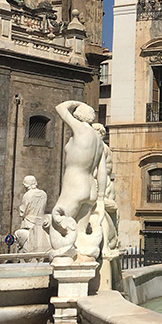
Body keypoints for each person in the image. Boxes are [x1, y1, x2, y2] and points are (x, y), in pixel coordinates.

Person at [48, 100, 104, 259]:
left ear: (78, 115)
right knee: (80, 236)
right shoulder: (99, 140)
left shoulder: (79, 128)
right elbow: (102, 172)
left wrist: (78, 103)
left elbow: (60, 107)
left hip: (75, 183)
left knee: (57, 225)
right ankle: (84, 264)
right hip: (91, 188)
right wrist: (100, 197)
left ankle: (62, 264)